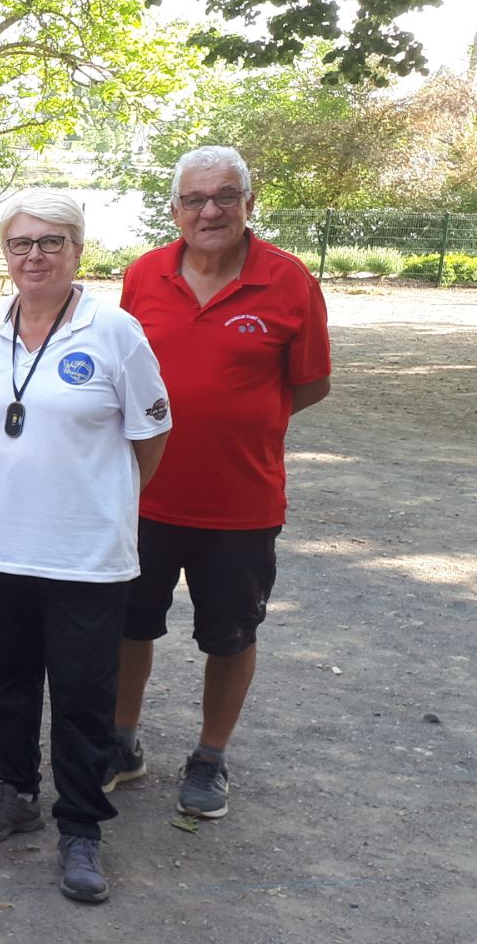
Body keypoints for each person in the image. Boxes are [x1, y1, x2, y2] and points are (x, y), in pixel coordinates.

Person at [0, 192, 171, 904]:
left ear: (78, 250)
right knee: (4, 682)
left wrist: (95, 498)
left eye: (51, 242)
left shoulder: (117, 332)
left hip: (85, 552)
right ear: (5, 254)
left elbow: (151, 438)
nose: (35, 256)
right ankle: (13, 791)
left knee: (83, 695)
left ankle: (81, 827)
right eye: (21, 244)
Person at [114, 146, 332, 819]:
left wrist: (237, 424)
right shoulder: (144, 275)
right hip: (144, 496)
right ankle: (121, 742)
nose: (211, 211)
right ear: (176, 209)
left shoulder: (289, 280)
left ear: (249, 202)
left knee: (230, 635)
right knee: (129, 625)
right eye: (196, 199)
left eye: (226, 196)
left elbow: (312, 383)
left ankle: (210, 755)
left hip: (242, 503)